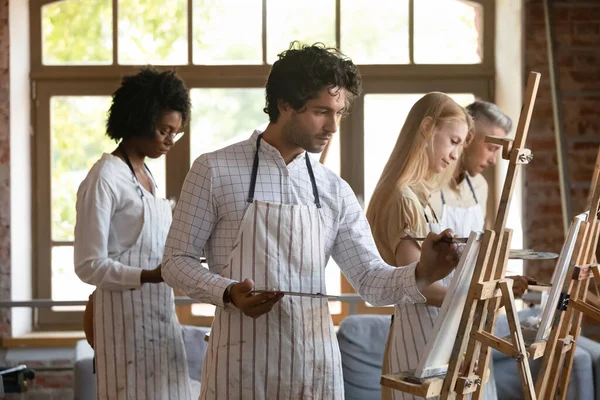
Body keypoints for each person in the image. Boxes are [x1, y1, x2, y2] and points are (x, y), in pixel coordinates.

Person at [161, 43, 461, 400]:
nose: (333, 125)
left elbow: (371, 281)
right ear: (286, 104)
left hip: (315, 369)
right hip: (240, 367)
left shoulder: (333, 189)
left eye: (339, 112)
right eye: (322, 111)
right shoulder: (214, 170)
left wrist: (423, 272)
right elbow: (175, 262)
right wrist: (227, 292)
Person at [367, 95, 529, 400]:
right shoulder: (403, 197)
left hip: (443, 334)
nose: (456, 154)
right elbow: (417, 285)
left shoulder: (419, 197)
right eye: (454, 141)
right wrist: (481, 299)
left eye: (461, 144)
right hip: (423, 342)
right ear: (427, 129)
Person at [74, 67, 194, 399]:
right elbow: (88, 265)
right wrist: (151, 275)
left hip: (159, 322)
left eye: (176, 132)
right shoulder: (104, 179)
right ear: (138, 120)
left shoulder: (148, 177)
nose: (170, 140)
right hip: (122, 327)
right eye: (163, 131)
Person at [428, 100, 512, 237]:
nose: (493, 160)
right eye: (491, 149)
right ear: (467, 138)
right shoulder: (427, 185)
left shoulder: (480, 186)